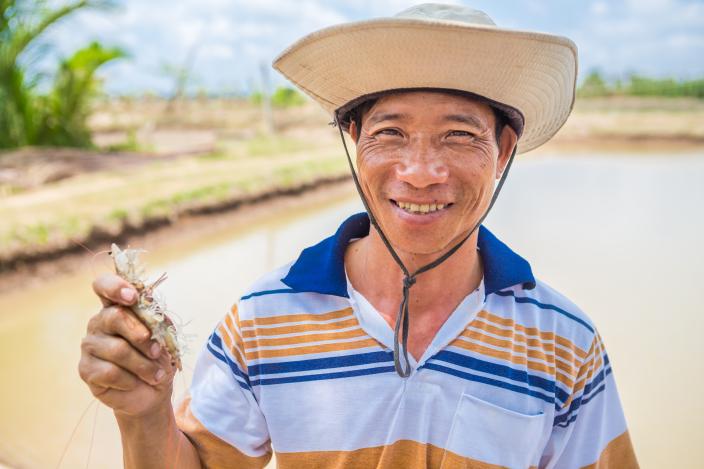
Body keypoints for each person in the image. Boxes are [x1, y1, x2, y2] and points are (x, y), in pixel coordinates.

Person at [78, 4, 639, 468]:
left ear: (505, 150)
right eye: (390, 133)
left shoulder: (565, 342)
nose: (421, 171)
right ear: (353, 140)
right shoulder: (263, 317)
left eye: (459, 135)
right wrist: (144, 415)